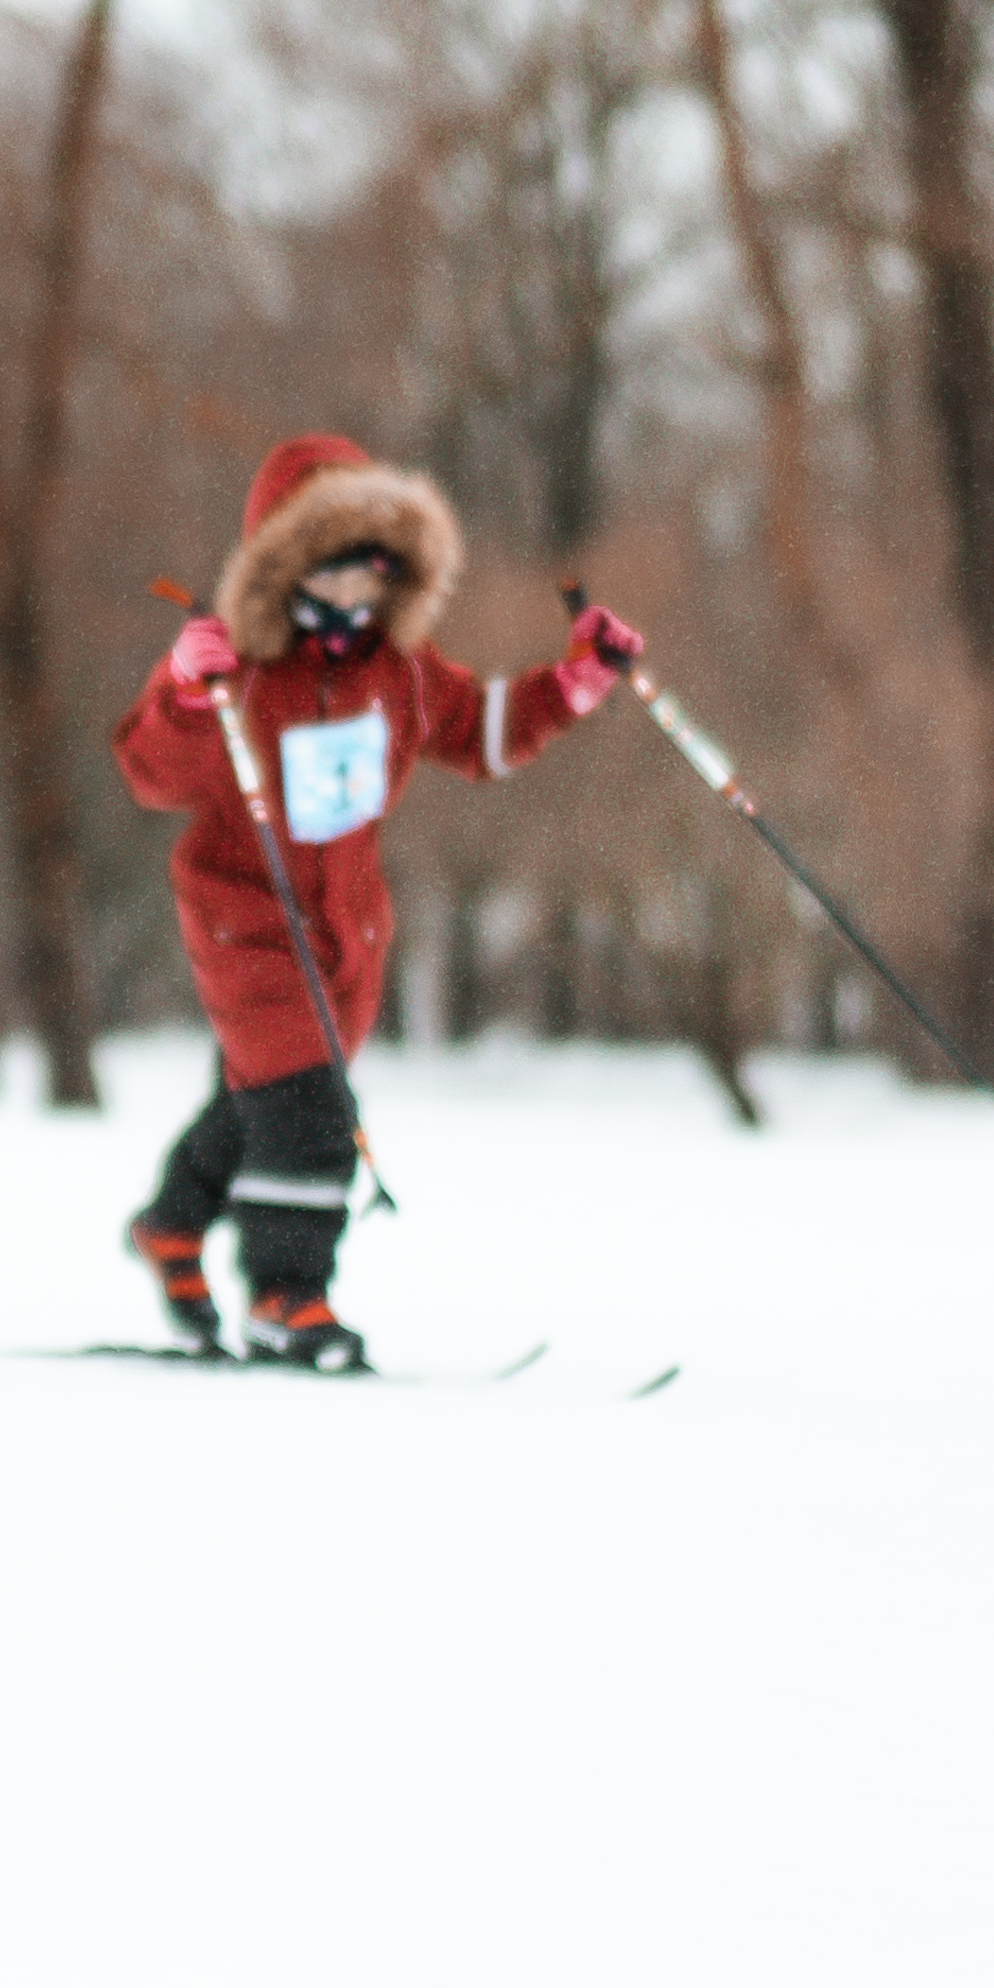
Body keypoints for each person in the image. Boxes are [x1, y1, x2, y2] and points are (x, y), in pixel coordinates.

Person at [112, 435, 644, 1369]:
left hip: (346, 930)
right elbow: (152, 773)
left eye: (376, 573)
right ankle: (289, 1295)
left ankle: (173, 1220)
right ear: (287, 568)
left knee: (261, 1102)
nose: (357, 596)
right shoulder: (238, 669)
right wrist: (189, 694)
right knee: (310, 1113)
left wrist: (573, 685)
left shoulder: (397, 669)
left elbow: (479, 731)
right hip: (247, 918)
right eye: (336, 571)